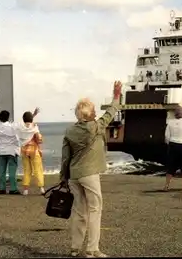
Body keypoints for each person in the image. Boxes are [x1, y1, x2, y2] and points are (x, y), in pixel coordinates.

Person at [59, 81, 122, 258]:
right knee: (95, 209)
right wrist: (116, 96)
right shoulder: (95, 126)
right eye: (93, 111)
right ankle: (92, 249)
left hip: (74, 175)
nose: (96, 113)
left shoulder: (69, 131)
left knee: (79, 211)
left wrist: (63, 177)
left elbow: (65, 157)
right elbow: (111, 113)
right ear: (87, 115)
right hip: (89, 174)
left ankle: (75, 247)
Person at [0, 107, 36, 195]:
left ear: (0, 118)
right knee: (12, 171)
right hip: (12, 151)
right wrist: (33, 115)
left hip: (1, 151)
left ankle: (2, 189)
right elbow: (26, 125)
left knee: (1, 171)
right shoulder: (13, 126)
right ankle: (13, 189)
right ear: (8, 118)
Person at [17, 108, 43, 195]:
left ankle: (25, 190)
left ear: (23, 119)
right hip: (34, 151)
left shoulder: (20, 127)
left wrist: (33, 115)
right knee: (37, 169)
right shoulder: (34, 127)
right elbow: (39, 139)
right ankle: (41, 188)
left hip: (24, 151)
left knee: (27, 170)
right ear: (32, 119)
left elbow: (27, 123)